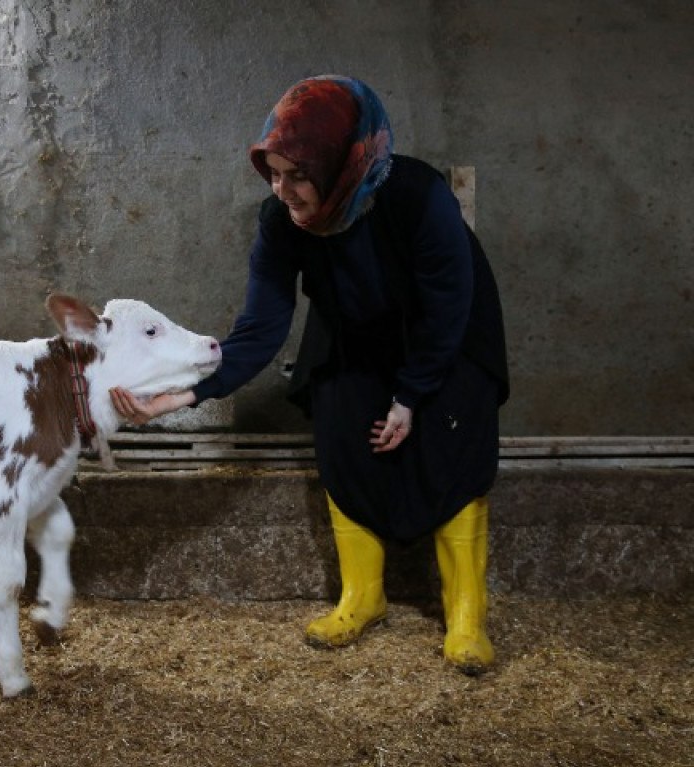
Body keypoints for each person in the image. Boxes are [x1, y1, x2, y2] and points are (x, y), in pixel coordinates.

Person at [111, 75, 509, 675]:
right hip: (352, 327)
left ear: (342, 165)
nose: (283, 190)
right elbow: (260, 328)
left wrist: (409, 397)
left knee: (452, 443)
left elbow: (448, 303)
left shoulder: (419, 195)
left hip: (445, 333)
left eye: (298, 175)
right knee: (342, 435)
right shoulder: (281, 222)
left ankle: (466, 616)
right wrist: (178, 397)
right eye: (273, 173)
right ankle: (362, 598)